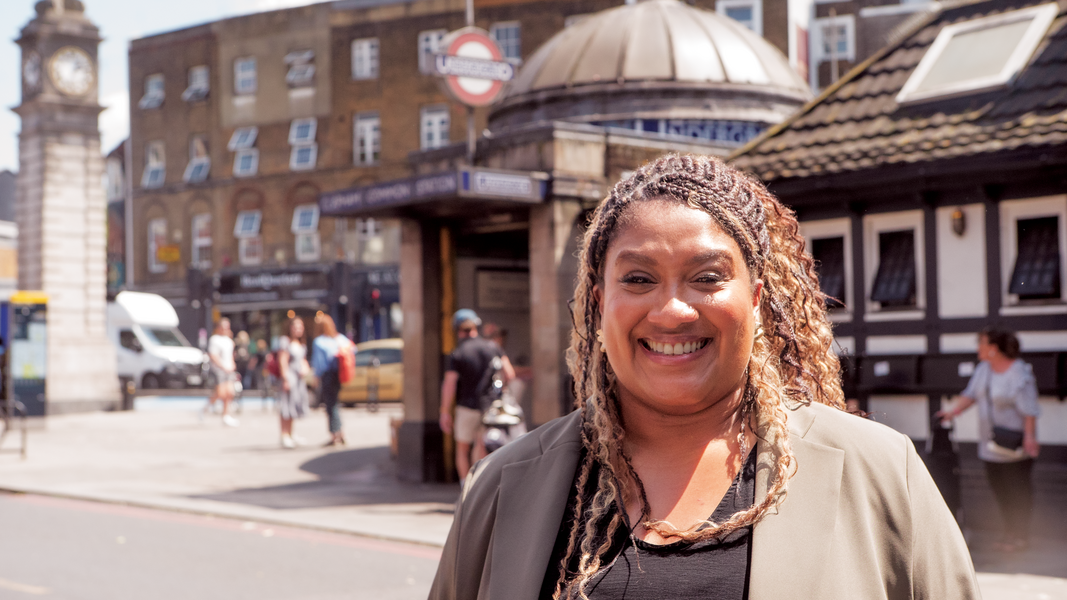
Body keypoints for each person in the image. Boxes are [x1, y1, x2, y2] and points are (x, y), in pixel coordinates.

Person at [430, 154, 979, 599]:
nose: (672, 311)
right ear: (600, 305)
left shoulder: (883, 472)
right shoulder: (502, 486)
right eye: (639, 278)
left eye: (707, 277)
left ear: (757, 300)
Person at [938, 327, 1040, 552]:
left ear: (993, 348)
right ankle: (1009, 533)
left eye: (981, 343)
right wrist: (951, 412)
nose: (978, 348)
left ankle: (1020, 536)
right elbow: (970, 395)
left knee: (1018, 492)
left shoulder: (1019, 372)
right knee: (1000, 490)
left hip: (1016, 446)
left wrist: (1030, 438)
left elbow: (1030, 409)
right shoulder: (984, 370)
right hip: (991, 445)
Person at [439, 309, 516, 485]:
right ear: (476, 326)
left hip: (466, 407)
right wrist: (500, 391)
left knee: (462, 449)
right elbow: (509, 374)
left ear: (457, 330)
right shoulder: (492, 347)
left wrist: (444, 411)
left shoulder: (458, 353)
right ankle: (482, 486)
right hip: (489, 408)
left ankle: (465, 488)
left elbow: (450, 384)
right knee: (483, 448)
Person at [311, 314, 350, 447]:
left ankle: (335, 435)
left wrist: (315, 377)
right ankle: (340, 433)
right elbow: (353, 349)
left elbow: (319, 363)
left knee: (330, 405)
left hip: (327, 375)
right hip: (338, 375)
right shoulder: (339, 339)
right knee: (335, 404)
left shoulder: (319, 341)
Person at [276, 317, 310, 449]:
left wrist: (306, 368)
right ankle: (284, 435)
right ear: (290, 327)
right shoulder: (286, 341)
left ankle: (291, 433)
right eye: (296, 326)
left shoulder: (301, 343)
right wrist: (285, 379)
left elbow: (304, 361)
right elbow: (282, 361)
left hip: (299, 379)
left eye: (300, 327)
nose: (298, 329)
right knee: (286, 406)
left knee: (294, 405)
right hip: (290, 377)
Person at [206, 318, 239, 428]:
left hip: (229, 369)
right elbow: (213, 355)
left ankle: (226, 416)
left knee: (230, 393)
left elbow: (230, 355)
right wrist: (222, 366)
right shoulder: (214, 339)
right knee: (220, 393)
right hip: (218, 370)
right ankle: (206, 407)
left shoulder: (229, 341)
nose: (226, 329)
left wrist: (232, 364)